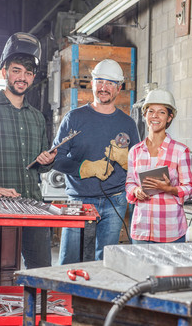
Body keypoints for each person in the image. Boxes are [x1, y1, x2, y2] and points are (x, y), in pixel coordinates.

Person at [0, 32, 56, 269]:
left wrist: (47, 160)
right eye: (16, 70)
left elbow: (41, 162)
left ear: (33, 77)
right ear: (4, 72)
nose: (22, 78)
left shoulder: (36, 117)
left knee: (41, 271)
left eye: (28, 73)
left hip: (33, 206)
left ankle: (33, 308)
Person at [53, 59, 140, 263]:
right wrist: (85, 168)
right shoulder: (73, 118)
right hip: (79, 201)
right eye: (100, 81)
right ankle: (67, 295)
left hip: (115, 201)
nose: (104, 88)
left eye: (110, 83)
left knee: (105, 261)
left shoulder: (127, 123)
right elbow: (55, 159)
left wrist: (126, 161)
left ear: (119, 88)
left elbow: (138, 163)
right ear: (92, 84)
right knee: (70, 259)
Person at [125, 89, 192, 243]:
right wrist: (136, 190)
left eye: (162, 112)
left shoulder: (180, 151)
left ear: (169, 118)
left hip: (171, 230)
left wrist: (169, 189)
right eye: (151, 111)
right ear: (144, 115)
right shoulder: (135, 151)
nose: (155, 116)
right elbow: (129, 183)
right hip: (141, 229)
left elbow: (190, 188)